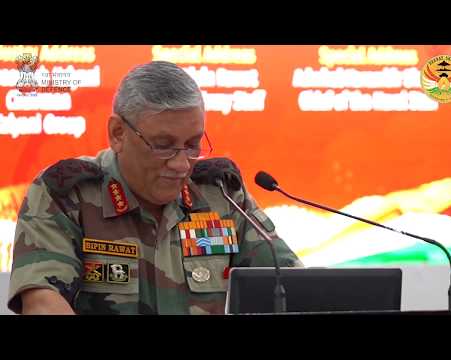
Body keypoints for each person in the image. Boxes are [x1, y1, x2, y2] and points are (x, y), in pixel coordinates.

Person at [7, 61, 302, 315]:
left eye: (192, 145)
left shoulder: (221, 194)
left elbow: (296, 286)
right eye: (163, 146)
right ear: (118, 134)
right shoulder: (65, 194)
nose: (181, 164)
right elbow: (43, 302)